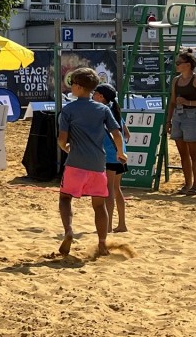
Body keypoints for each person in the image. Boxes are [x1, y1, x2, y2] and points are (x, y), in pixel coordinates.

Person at [56, 68, 126, 257]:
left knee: (65, 198)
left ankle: (69, 230)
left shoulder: (69, 109)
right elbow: (117, 134)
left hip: (76, 162)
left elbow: (62, 139)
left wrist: (65, 148)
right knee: (99, 205)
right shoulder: (103, 109)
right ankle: (102, 243)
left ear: (78, 87)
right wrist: (121, 153)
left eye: (72, 85)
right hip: (97, 164)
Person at [165, 50, 196, 195]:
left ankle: (195, 185)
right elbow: (172, 102)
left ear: (188, 65)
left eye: (179, 63)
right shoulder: (176, 80)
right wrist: (168, 121)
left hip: (191, 116)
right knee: (183, 153)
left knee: (194, 153)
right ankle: (187, 183)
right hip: (178, 116)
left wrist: (188, 102)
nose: (176, 65)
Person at [92, 83, 130, 232]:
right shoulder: (116, 110)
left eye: (95, 94)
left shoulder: (103, 112)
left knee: (108, 190)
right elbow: (126, 133)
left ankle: (107, 226)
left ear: (101, 97)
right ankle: (121, 224)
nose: (92, 96)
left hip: (109, 155)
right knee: (116, 189)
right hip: (120, 155)